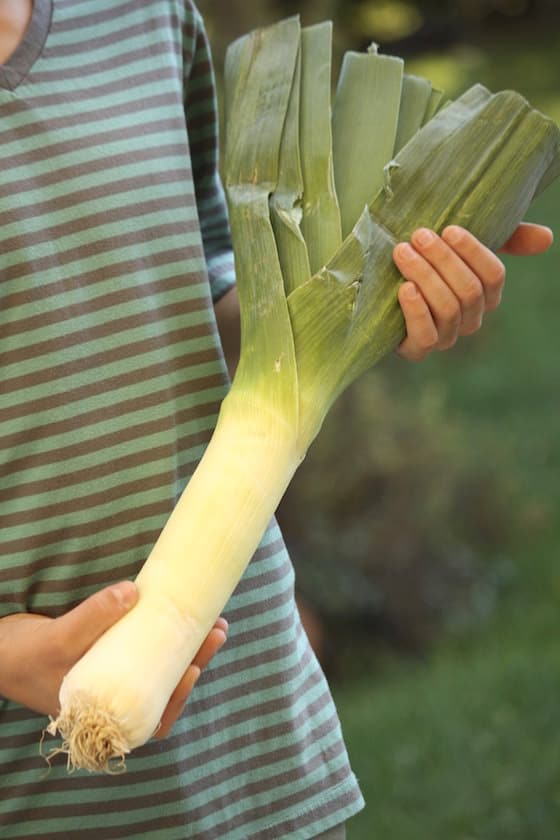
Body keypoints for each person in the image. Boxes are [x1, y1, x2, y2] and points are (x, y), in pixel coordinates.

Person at [0, 1, 552, 838]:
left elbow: (206, 290)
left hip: (261, 750)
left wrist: (381, 300)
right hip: (41, 795)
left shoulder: (141, 14)